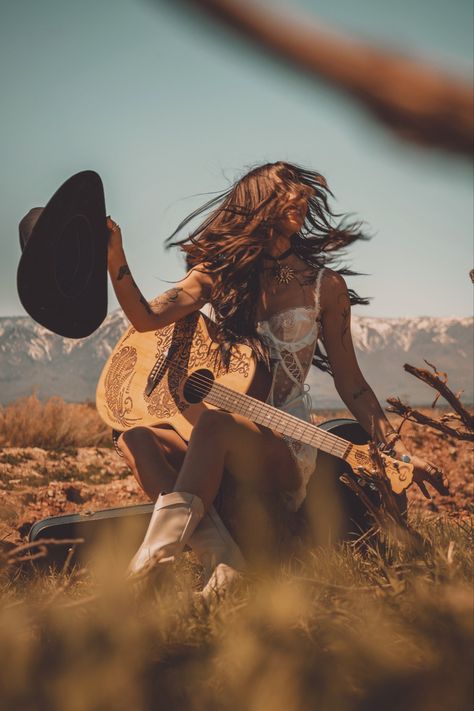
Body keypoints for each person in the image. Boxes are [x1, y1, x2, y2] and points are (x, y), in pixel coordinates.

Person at [106, 161, 449, 595]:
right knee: (134, 436)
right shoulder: (219, 274)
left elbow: (354, 384)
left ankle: (145, 574)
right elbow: (146, 318)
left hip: (284, 444)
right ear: (256, 200)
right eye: (286, 187)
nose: (300, 195)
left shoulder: (325, 286)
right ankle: (226, 564)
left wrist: (397, 452)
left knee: (215, 424)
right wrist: (115, 257)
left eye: (303, 190)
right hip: (217, 435)